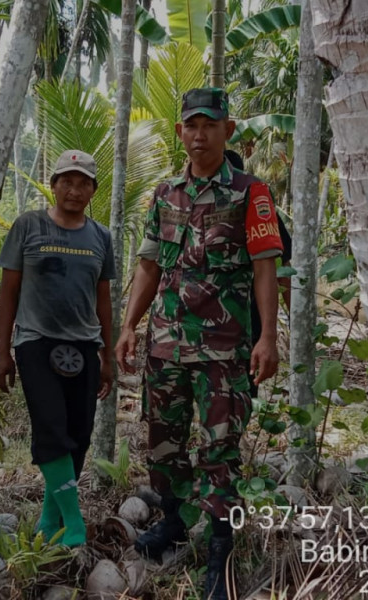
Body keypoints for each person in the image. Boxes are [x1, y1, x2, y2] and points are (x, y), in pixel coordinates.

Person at [115, 88, 283, 600]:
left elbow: (265, 267)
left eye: (210, 125)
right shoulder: (165, 194)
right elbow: (149, 265)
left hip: (224, 350)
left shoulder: (251, 193)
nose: (200, 135)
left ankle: (220, 548)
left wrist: (268, 336)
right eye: (192, 125)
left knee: (220, 451)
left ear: (227, 130)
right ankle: (174, 521)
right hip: (166, 345)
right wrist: (129, 326)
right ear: (180, 131)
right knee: (163, 444)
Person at [0, 149, 115, 548]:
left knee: (78, 434)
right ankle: (75, 524)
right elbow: (8, 292)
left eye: (83, 184)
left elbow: (103, 300)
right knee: (50, 427)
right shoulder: (28, 226)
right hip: (36, 342)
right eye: (67, 182)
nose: (74, 191)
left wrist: (108, 355)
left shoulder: (100, 237)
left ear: (93, 190)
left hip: (84, 344)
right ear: (54, 185)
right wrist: (2, 352)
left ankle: (49, 521)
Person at [223, 149, 293, 399]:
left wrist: (290, 319)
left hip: (245, 321)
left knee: (239, 395)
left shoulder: (255, 202)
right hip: (194, 331)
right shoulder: (185, 201)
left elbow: (280, 265)